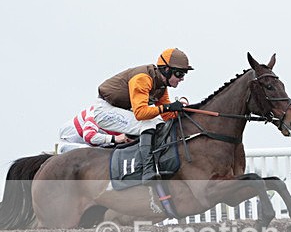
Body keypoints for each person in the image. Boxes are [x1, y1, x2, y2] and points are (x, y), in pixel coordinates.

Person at [60, 48, 193, 180]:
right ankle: (147, 169)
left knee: (158, 122)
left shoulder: (161, 87)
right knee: (149, 122)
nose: (182, 79)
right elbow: (141, 113)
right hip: (104, 111)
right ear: (166, 70)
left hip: (118, 110)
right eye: (179, 74)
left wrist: (183, 111)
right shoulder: (143, 78)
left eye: (184, 75)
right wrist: (168, 107)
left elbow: (166, 116)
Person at [58, 104, 129, 153]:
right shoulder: (97, 112)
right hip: (70, 144)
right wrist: (115, 138)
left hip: (95, 144)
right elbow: (89, 136)